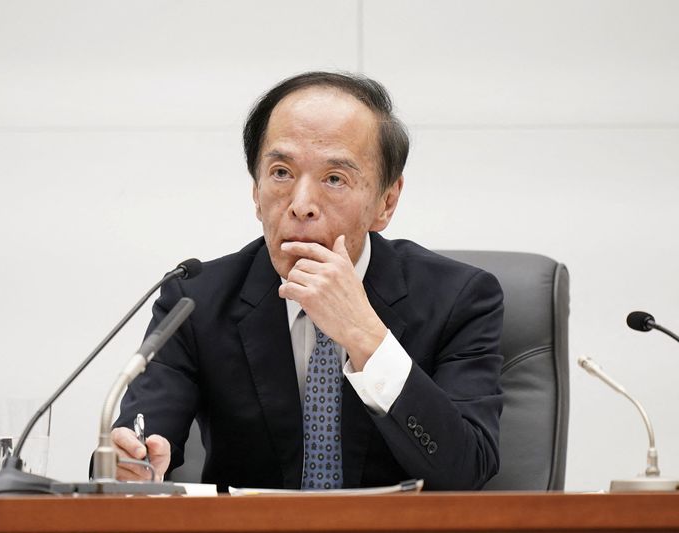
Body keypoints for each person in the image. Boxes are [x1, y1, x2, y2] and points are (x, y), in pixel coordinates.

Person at [109, 72, 504, 491]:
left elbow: (466, 472)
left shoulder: (460, 300)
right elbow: (141, 438)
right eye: (280, 173)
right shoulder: (195, 300)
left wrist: (364, 335)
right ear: (256, 193)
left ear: (386, 202)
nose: (300, 206)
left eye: (334, 179)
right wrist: (132, 463)